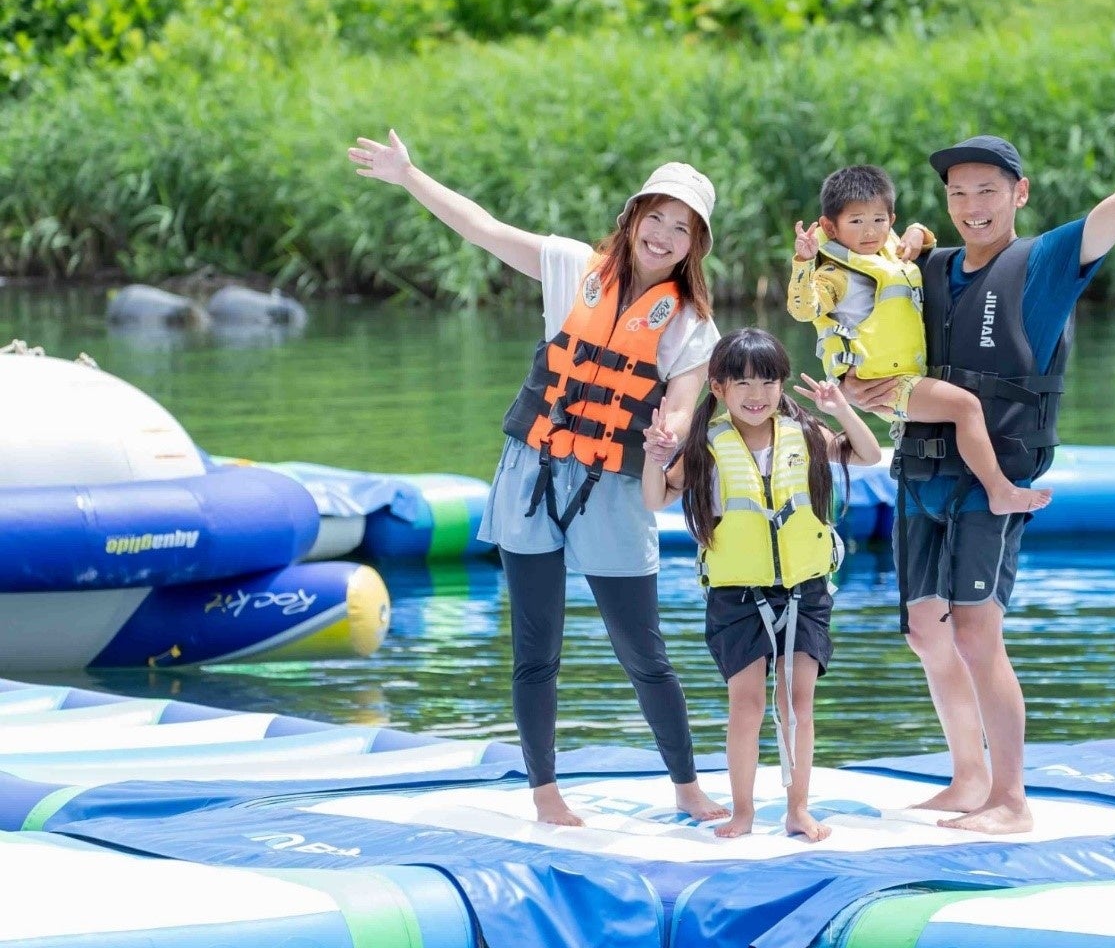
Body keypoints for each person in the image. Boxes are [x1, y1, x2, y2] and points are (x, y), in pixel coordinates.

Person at [843, 61, 1115, 834]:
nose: (970, 205)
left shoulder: (1048, 261)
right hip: (923, 465)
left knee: (973, 627)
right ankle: (967, 778)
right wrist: (867, 388)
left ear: (1017, 194)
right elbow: (876, 341)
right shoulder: (924, 269)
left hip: (994, 473)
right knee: (924, 626)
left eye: (986, 190)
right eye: (957, 192)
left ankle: (1011, 799)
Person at [348, 130, 730, 827]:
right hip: (531, 475)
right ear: (634, 215)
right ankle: (544, 791)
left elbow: (680, 403)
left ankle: (686, 785)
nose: (665, 234)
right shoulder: (568, 266)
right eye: (658, 217)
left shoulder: (692, 327)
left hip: (613, 489)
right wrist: (408, 175)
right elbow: (479, 226)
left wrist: (667, 434)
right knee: (535, 649)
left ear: (693, 246)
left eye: (683, 228)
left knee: (643, 651)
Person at [642, 327, 882, 840]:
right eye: (744, 382)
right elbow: (655, 498)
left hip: (805, 588)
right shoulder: (706, 447)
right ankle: (744, 811)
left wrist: (841, 408)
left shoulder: (806, 435)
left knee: (799, 700)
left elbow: (868, 454)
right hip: (737, 593)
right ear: (718, 387)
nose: (757, 395)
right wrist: (653, 454)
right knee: (746, 703)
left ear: (782, 386)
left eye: (768, 382)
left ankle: (798, 810)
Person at [787, 165, 1053, 516]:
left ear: (890, 218)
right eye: (856, 222)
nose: (870, 232)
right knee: (966, 407)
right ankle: (999, 490)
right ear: (830, 228)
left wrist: (916, 233)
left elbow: (918, 238)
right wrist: (804, 262)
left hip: (904, 376)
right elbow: (804, 309)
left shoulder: (885, 251)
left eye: (879, 220)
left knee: (963, 406)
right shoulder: (834, 276)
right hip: (881, 382)